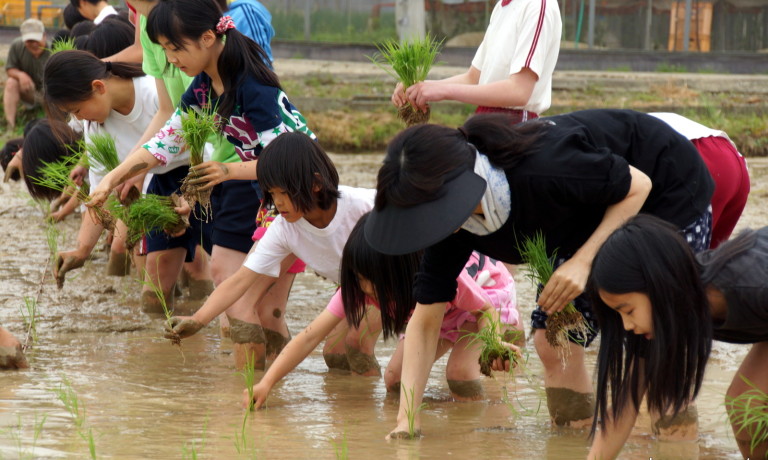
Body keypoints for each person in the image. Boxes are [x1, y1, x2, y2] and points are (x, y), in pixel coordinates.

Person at [364, 109, 715, 434]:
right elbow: (426, 321)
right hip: (581, 222)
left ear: (452, 191)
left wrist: (582, 263)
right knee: (554, 338)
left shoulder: (546, 167)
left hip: (664, 192)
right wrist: (406, 421)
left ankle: (675, 442)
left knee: (652, 337)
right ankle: (575, 440)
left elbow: (638, 185)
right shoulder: (452, 226)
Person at [88, 0, 315, 370]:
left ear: (208, 38)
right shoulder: (205, 87)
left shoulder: (251, 86)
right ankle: (260, 394)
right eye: (163, 48)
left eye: (175, 47)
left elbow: (291, 160)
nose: (170, 58)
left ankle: (260, 391)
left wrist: (226, 172)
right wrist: (114, 177)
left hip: (300, 198)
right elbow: (165, 140)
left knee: (258, 306)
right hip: (265, 195)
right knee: (237, 288)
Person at [239, 213, 521, 438]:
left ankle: (480, 427)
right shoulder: (361, 285)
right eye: (360, 279)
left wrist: (493, 343)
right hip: (435, 315)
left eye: (374, 284)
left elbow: (484, 310)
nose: (366, 290)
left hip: (486, 297)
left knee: (460, 373)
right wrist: (266, 383)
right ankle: (441, 406)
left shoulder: (441, 275)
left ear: (401, 272)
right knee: (395, 381)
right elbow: (309, 337)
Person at [164, 132, 384, 375]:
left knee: (356, 348)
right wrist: (198, 320)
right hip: (356, 287)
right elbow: (239, 281)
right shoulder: (285, 228)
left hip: (396, 279)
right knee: (336, 355)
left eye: (284, 193)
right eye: (272, 194)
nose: (277, 203)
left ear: (316, 183)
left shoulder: (365, 207)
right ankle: (357, 410)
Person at [587, 214, 767, 460]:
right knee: (744, 405)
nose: (627, 325)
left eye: (628, 310)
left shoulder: (751, 287)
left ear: (660, 285)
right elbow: (623, 406)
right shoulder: (658, 319)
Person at [41, 51, 166, 281]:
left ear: (98, 87)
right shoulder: (95, 126)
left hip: (188, 190)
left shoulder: (154, 92)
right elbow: (100, 193)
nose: (78, 119)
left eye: (77, 110)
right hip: (146, 206)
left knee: (196, 267)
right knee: (153, 288)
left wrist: (142, 170)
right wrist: (82, 250)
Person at [391, 0, 561, 123]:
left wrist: (442, 91)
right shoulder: (503, 7)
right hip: (486, 120)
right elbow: (473, 79)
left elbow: (519, 92)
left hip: (514, 127)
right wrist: (420, 87)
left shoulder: (537, 5)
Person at [650, 112, 750, 249]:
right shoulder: (622, 123)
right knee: (708, 261)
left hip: (694, 156)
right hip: (733, 159)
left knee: (672, 261)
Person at [4, 19, 50, 133]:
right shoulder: (17, 46)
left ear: (44, 36)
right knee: (11, 82)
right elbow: (10, 69)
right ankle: (11, 126)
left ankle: (51, 123)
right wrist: (20, 75)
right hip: (29, 91)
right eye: (29, 40)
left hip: (51, 95)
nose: (34, 44)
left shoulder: (53, 49)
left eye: (36, 39)